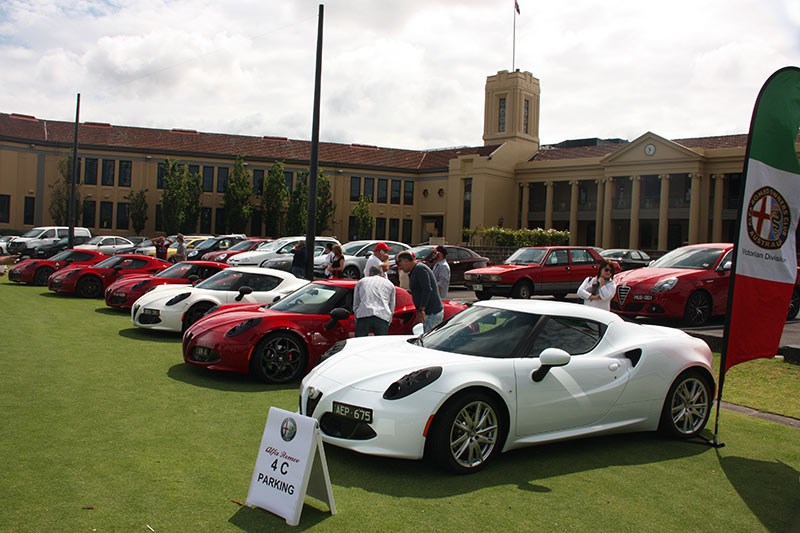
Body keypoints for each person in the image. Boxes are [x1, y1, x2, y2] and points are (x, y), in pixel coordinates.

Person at [396, 250, 443, 332]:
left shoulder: (420, 269)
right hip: (427, 312)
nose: (400, 268)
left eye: (400, 265)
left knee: (428, 338)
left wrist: (422, 309)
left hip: (431, 312)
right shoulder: (415, 270)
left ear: (406, 261)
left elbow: (427, 289)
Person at [353, 266, 396, 337]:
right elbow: (392, 304)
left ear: (369, 273)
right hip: (382, 315)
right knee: (380, 344)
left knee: (360, 342)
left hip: (364, 313)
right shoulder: (390, 284)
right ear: (382, 274)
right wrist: (389, 317)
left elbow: (356, 301)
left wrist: (357, 314)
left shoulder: (362, 281)